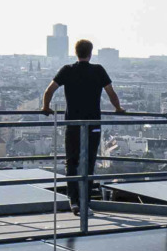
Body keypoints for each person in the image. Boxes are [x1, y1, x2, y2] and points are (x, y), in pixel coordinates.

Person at [40, 38, 123, 221]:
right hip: (92, 124)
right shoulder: (98, 70)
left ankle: (74, 200)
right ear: (91, 53)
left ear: (76, 52)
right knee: (90, 162)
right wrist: (118, 109)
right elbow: (111, 93)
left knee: (72, 162)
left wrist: (46, 107)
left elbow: (49, 91)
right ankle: (86, 199)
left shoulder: (67, 71)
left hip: (73, 124)